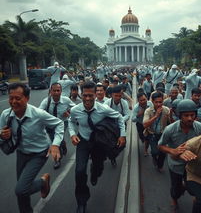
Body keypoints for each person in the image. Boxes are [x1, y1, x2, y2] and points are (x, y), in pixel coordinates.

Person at [0, 83, 64, 213]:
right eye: (11, 98)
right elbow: (1, 136)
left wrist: (55, 144)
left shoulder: (38, 114)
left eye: (18, 98)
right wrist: (3, 135)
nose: (13, 102)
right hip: (21, 153)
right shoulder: (6, 115)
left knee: (20, 189)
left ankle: (42, 183)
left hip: (39, 154)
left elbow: (59, 124)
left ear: (27, 98)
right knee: (22, 192)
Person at [68, 81, 126, 213]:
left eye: (90, 95)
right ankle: (82, 201)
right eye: (85, 95)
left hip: (98, 142)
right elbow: (70, 122)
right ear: (81, 95)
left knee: (98, 167)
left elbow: (120, 118)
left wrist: (122, 135)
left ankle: (95, 171)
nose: (87, 99)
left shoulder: (103, 109)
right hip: (83, 141)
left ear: (95, 95)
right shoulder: (75, 110)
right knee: (79, 172)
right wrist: (72, 134)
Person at [158, 99, 201, 211]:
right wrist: (172, 151)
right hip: (176, 165)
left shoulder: (200, 128)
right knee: (176, 189)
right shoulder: (170, 129)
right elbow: (160, 146)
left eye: (192, 115)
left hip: (193, 165)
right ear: (179, 115)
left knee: (195, 187)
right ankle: (174, 198)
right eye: (186, 115)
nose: (189, 118)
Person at [39, 82, 75, 169]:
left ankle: (62, 147)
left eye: (58, 90)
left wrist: (69, 112)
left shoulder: (66, 100)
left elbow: (75, 108)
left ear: (61, 91)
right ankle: (57, 159)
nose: (56, 93)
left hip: (63, 123)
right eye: (54, 90)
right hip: (51, 125)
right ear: (50, 91)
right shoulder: (46, 101)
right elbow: (38, 112)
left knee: (59, 139)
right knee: (54, 141)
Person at [143, 92, 171, 171]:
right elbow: (145, 125)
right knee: (154, 152)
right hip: (152, 134)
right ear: (152, 101)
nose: (159, 104)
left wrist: (171, 116)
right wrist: (156, 116)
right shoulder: (148, 111)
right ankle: (154, 158)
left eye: (160, 102)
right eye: (156, 102)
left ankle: (160, 166)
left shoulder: (166, 110)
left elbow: (170, 123)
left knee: (163, 153)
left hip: (163, 134)